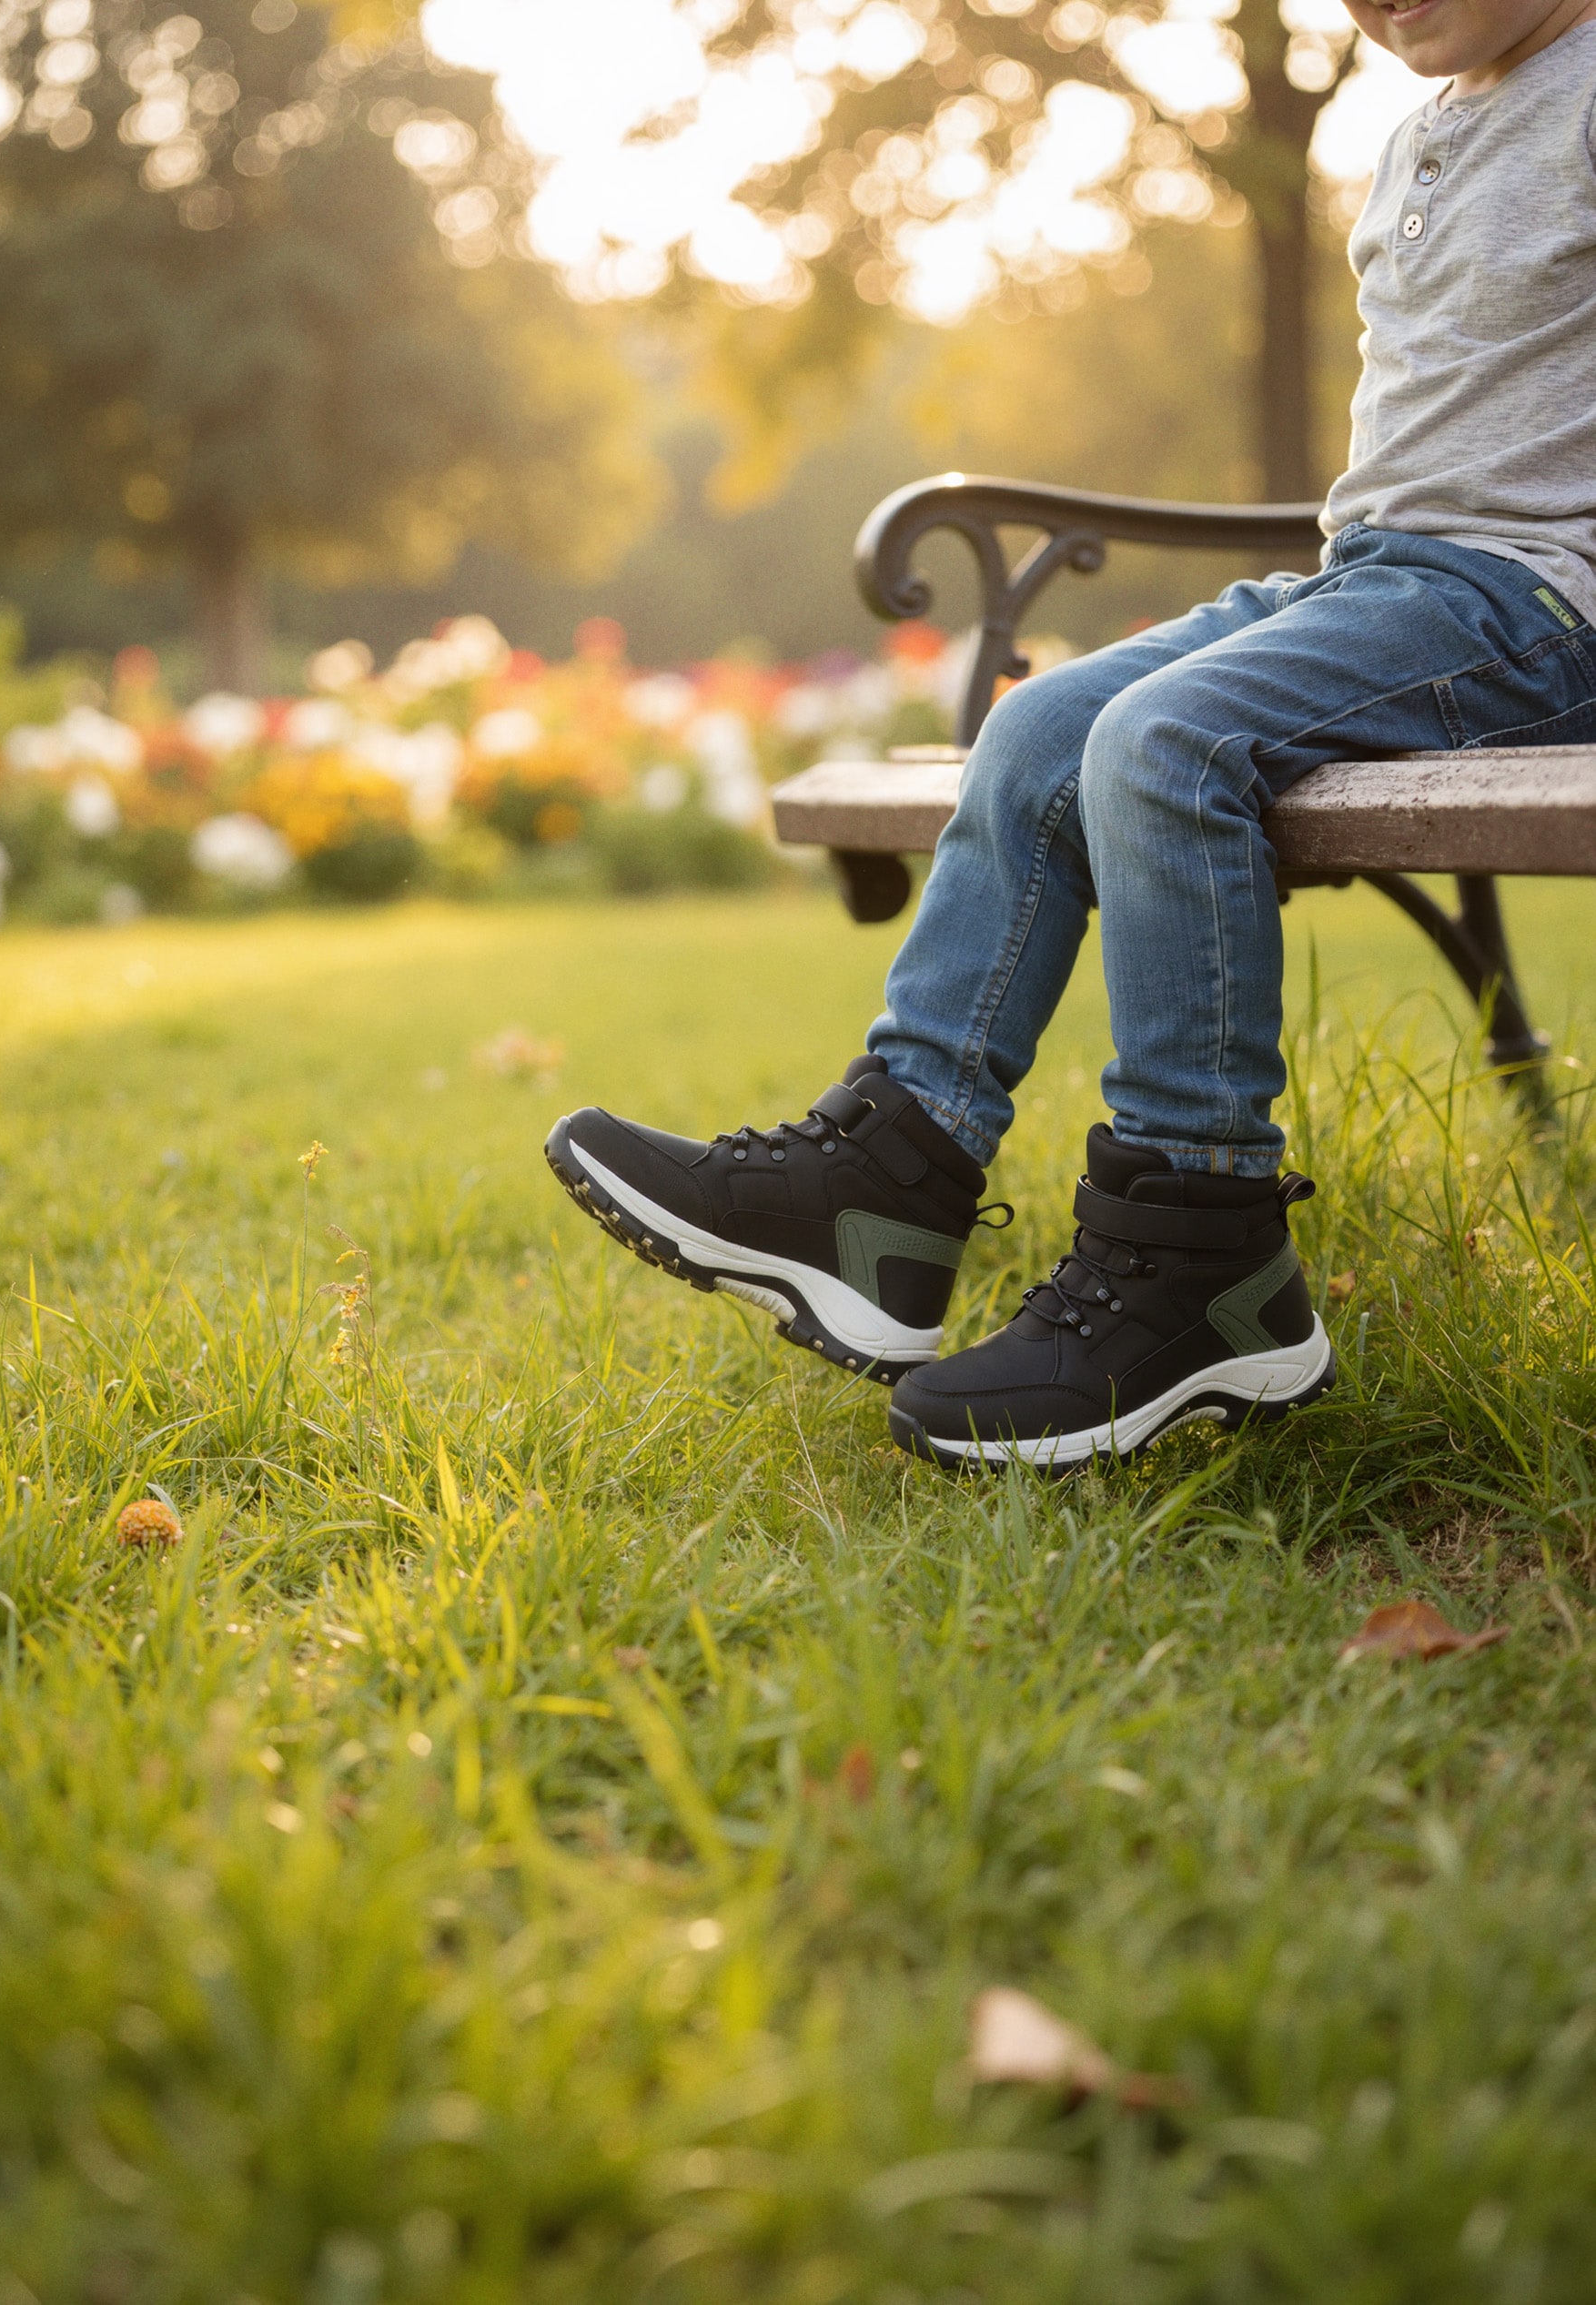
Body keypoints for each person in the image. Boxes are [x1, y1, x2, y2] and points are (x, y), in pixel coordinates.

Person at [547, 0, 1596, 1471]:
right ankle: (891, 1184)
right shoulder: (1427, 124)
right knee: (1041, 728)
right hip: (1382, 577)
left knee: (1164, 742)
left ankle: (1201, 1251)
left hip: (1539, 607)